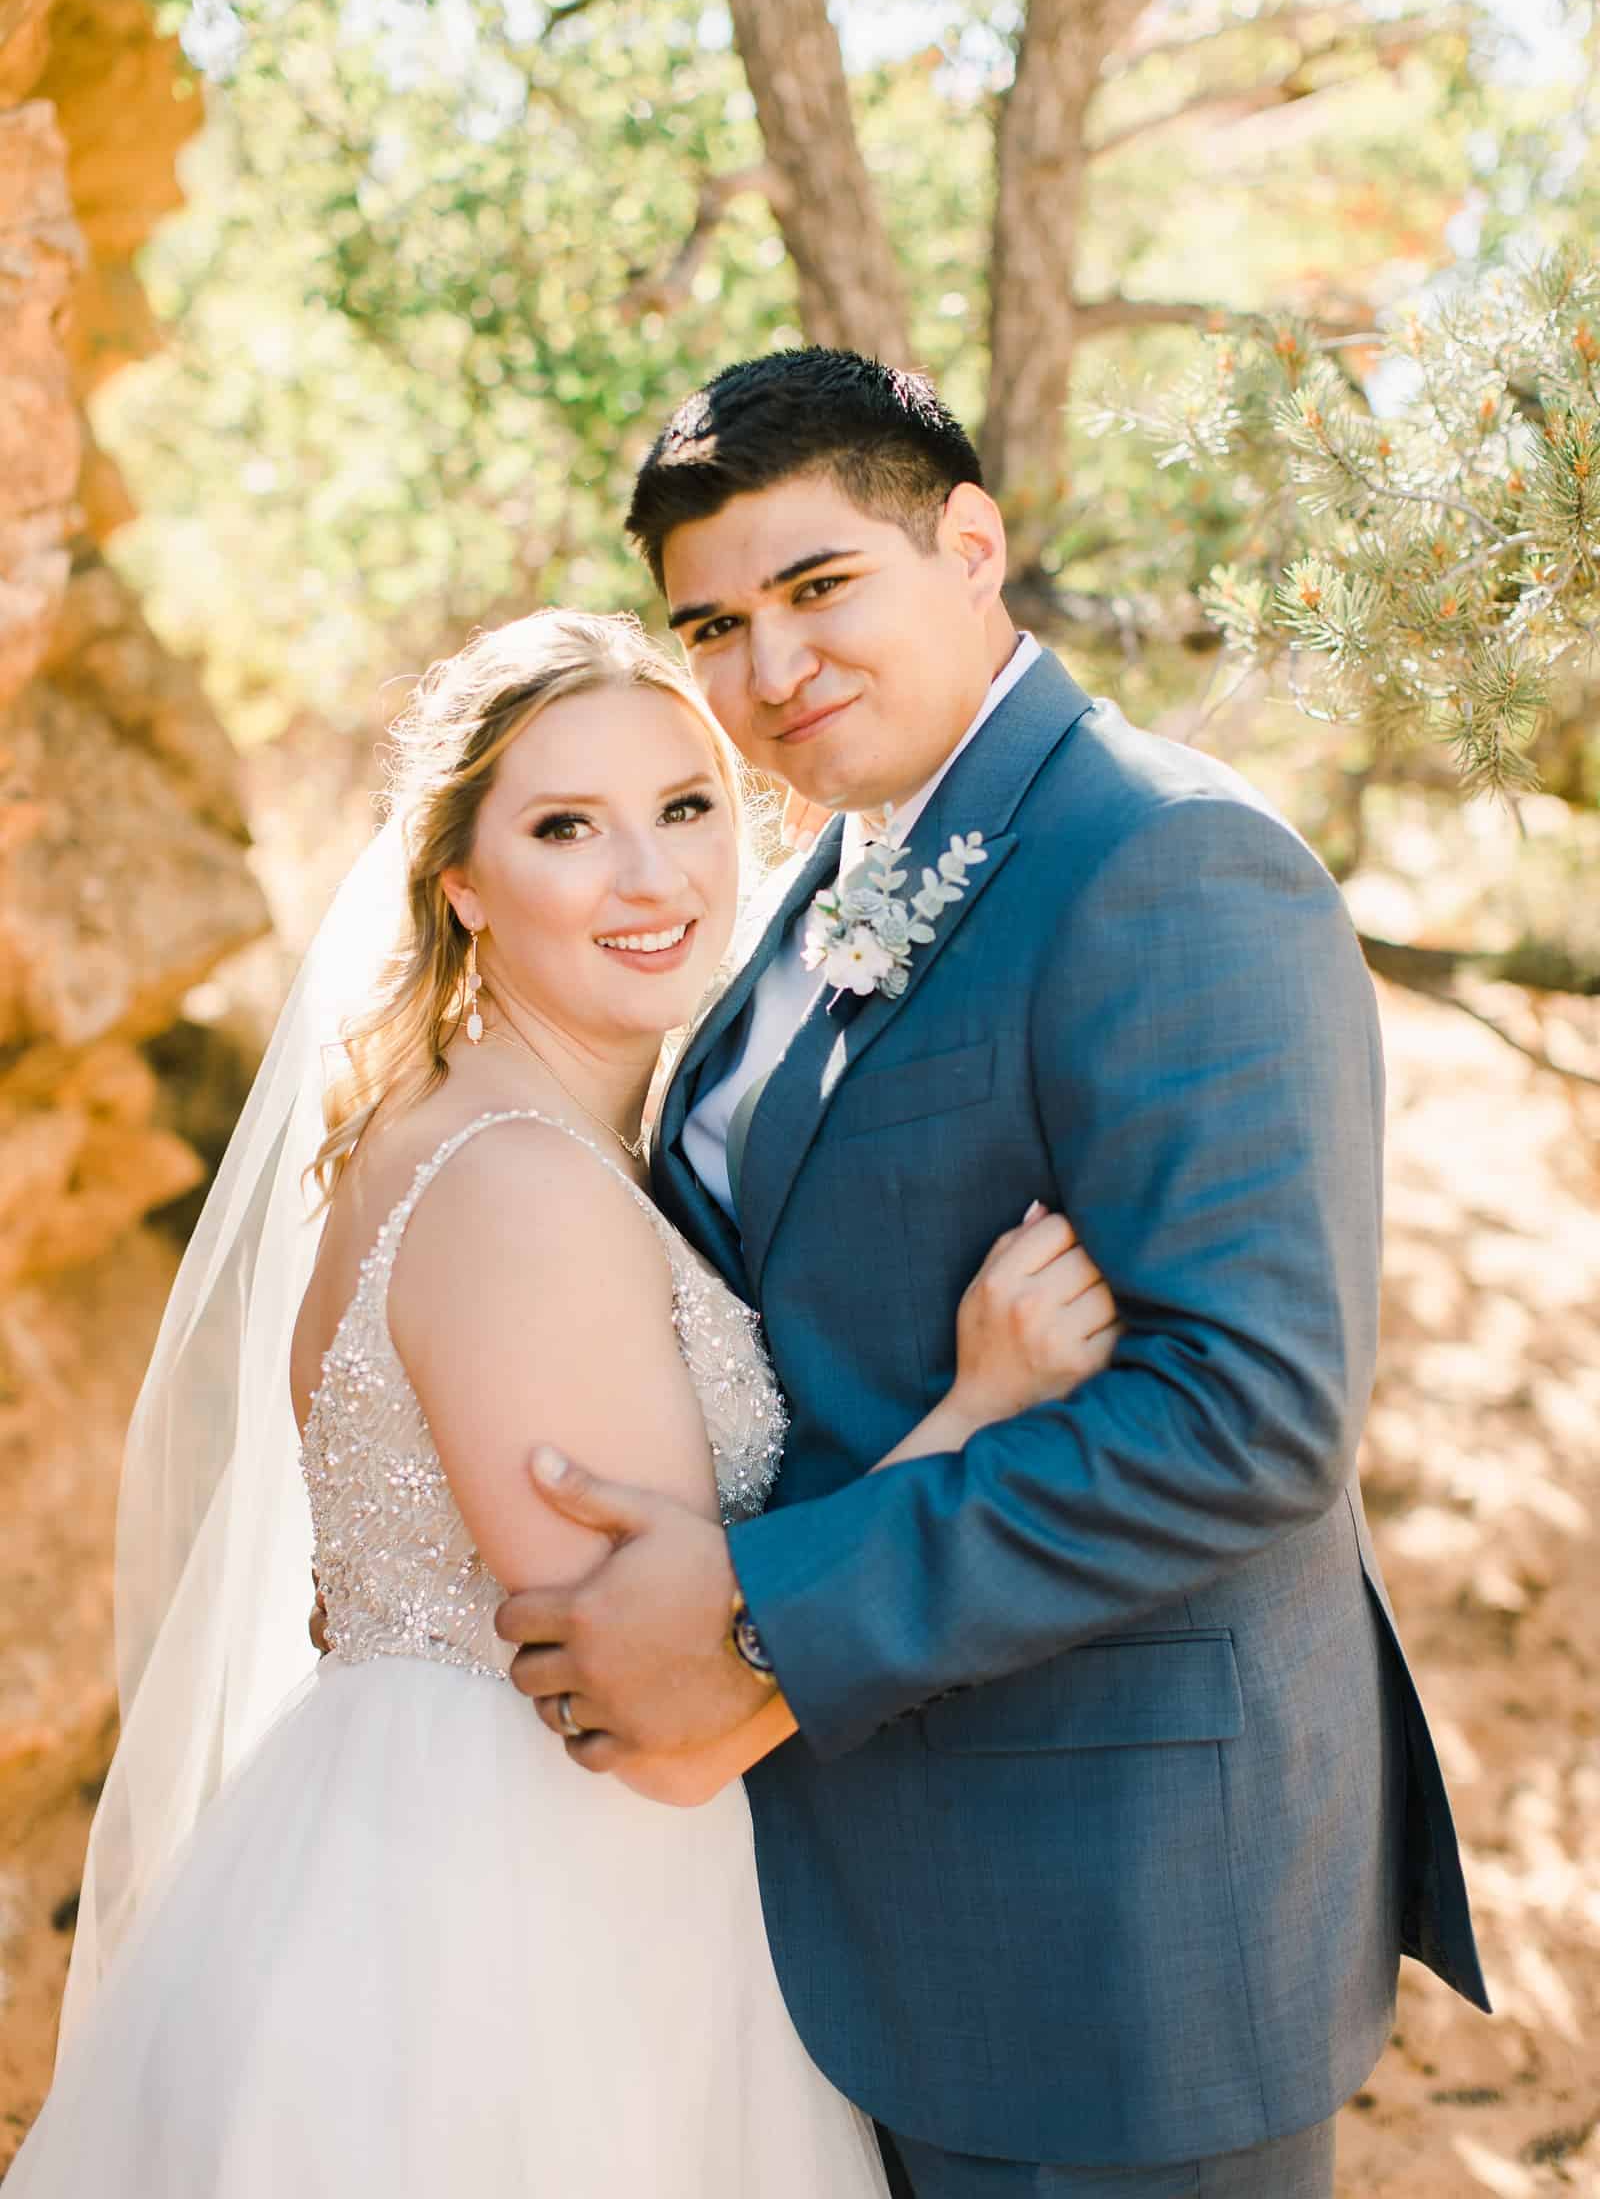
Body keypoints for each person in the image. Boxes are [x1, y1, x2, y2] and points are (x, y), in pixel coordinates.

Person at [496, 350, 1492, 2199]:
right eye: (711, 624)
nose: (766, 671)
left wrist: (758, 1613)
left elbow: (1245, 1419)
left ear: (972, 547)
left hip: (1105, 1925)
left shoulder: (1173, 863)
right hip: (839, 1881)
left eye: (816, 591)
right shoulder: (820, 876)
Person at [8, 611, 1121, 2197]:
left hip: (462, 1867)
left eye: (684, 809)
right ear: (461, 883)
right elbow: (666, 1735)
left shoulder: (494, 1134)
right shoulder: (518, 1187)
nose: (652, 878)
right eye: (565, 830)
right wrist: (981, 1413)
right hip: (512, 1942)